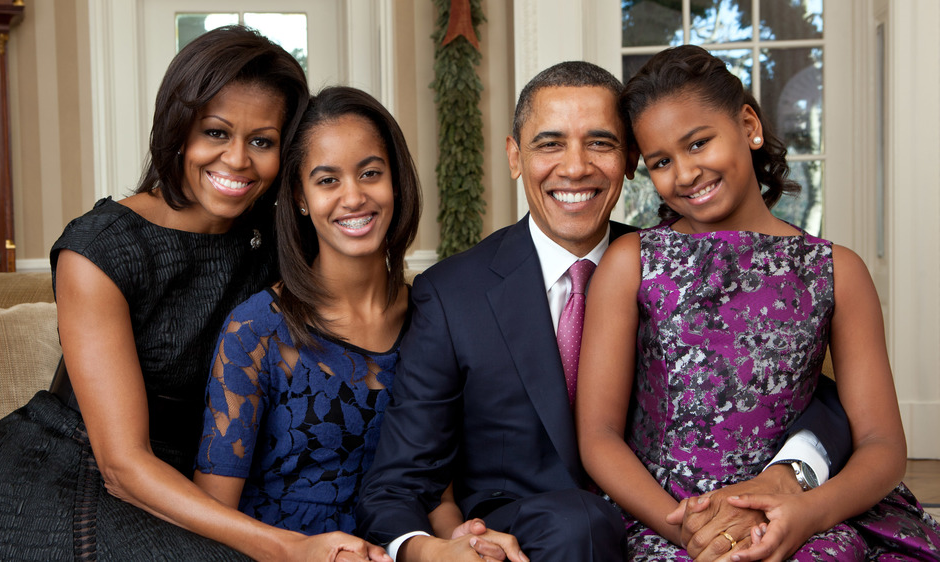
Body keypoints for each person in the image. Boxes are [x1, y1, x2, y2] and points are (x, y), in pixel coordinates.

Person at [356, 60, 851, 562]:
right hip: (534, 538)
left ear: (630, 159)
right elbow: (398, 483)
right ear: (514, 156)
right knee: (579, 526)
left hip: (676, 519)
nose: (575, 167)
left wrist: (794, 467)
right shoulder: (451, 294)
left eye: (600, 142)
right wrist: (432, 549)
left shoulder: (672, 265)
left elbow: (788, 377)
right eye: (550, 144)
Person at [0, 26, 386, 561]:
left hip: (192, 486)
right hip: (65, 481)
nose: (238, 160)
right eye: (216, 133)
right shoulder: (100, 249)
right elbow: (122, 465)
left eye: (262, 141)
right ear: (178, 127)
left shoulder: (277, 243)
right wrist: (287, 546)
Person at [576, 44, 940, 561]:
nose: (684, 173)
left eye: (698, 143)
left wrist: (806, 514)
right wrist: (688, 531)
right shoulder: (631, 262)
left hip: (802, 514)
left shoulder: (838, 271)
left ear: (748, 125)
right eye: (661, 161)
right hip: (665, 516)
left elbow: (883, 447)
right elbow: (599, 436)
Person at [192, 86, 422, 539]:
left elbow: (440, 490)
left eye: (370, 173)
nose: (353, 197)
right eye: (327, 180)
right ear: (300, 197)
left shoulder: (434, 315)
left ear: (395, 180)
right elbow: (214, 517)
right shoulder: (255, 329)